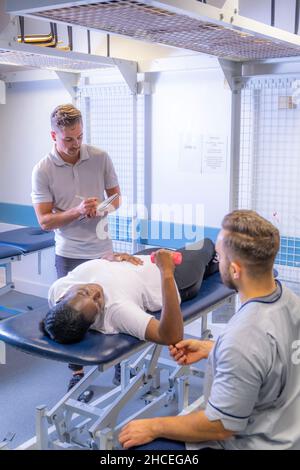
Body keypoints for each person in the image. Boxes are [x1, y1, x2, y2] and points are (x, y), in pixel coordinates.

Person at [118, 210, 300, 451]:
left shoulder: (243, 338)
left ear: (234, 270)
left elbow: (221, 426)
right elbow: (271, 353)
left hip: (253, 443)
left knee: (135, 446)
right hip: (287, 431)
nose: (217, 261)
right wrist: (212, 349)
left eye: (219, 256)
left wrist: (154, 426)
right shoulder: (289, 299)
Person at [31, 103, 121, 391]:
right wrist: (78, 211)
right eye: (68, 139)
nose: (75, 144)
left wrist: (101, 208)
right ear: (53, 136)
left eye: (79, 137)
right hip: (69, 252)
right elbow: (45, 221)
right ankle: (77, 373)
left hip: (102, 248)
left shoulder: (100, 157)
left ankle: (119, 362)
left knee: (112, 307)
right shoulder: (42, 170)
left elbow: (116, 199)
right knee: (70, 314)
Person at [40, 238, 217, 346]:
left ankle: (212, 266)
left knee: (201, 257)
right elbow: (170, 336)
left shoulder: (58, 289)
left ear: (63, 297)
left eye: (84, 292)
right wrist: (167, 272)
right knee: (206, 244)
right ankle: (215, 264)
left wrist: (107, 260)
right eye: (97, 302)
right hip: (175, 277)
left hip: (140, 260)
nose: (96, 291)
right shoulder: (117, 311)